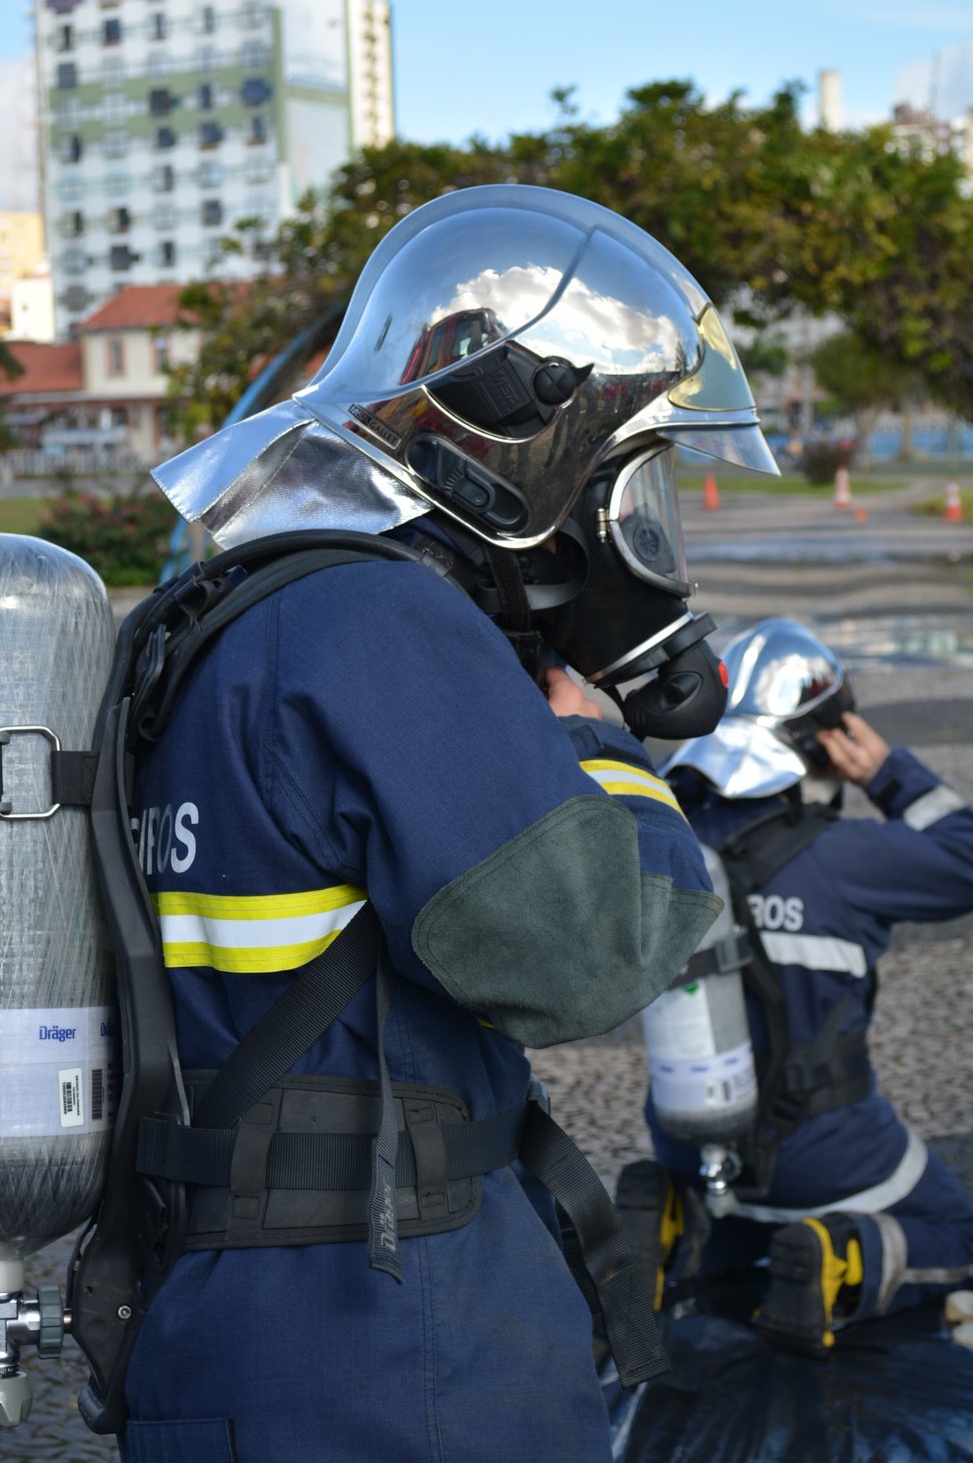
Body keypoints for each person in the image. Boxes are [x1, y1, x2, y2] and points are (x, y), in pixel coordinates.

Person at [112, 185, 779, 1462]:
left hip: (220, 1317)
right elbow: (581, 956)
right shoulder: (383, 622)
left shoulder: (212, 624)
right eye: (625, 475)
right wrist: (599, 745)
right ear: (527, 456)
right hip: (395, 1335)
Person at [619, 617, 973, 1358]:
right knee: (957, 1234)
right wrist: (888, 773)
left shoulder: (665, 838)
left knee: (738, 1219)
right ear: (823, 742)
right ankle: (841, 1258)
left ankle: (673, 1224)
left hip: (687, 1136)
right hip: (825, 1155)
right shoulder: (849, 858)